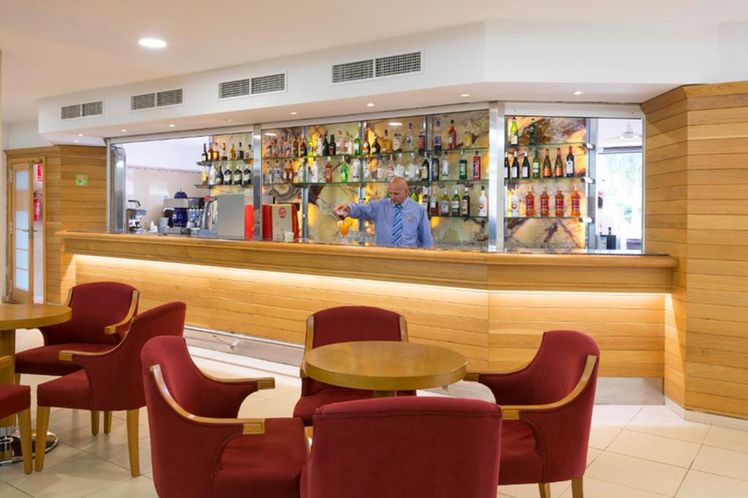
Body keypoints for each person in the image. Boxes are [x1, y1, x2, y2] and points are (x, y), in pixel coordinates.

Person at [335, 177, 433, 248]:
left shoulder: (418, 210)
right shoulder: (380, 206)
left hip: (408, 258)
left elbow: (427, 241)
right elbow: (362, 209)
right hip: (383, 255)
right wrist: (349, 209)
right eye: (390, 193)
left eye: (396, 194)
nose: (392, 197)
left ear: (407, 192)